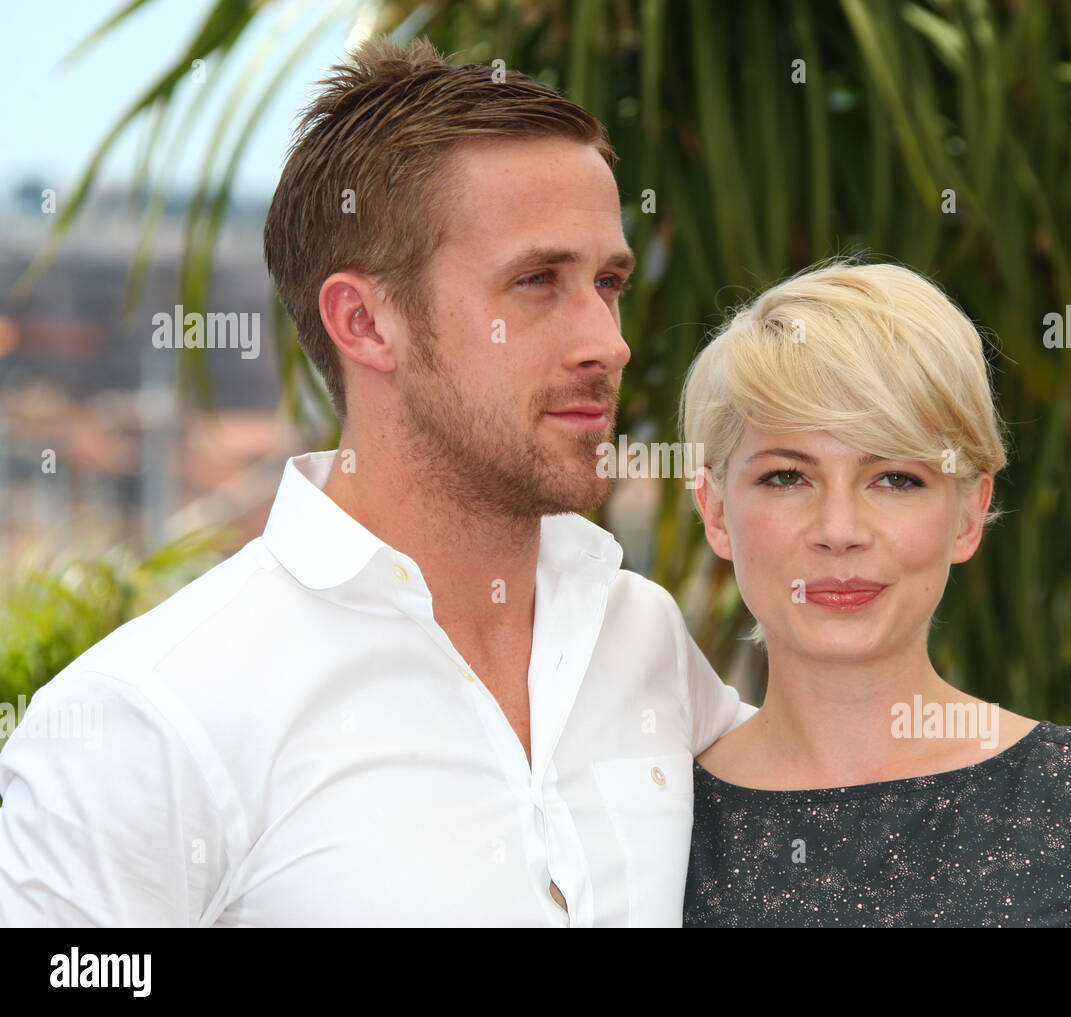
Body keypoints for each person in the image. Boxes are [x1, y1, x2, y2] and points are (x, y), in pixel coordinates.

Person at [0, 38, 753, 927]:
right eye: (539, 280)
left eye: (609, 281)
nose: (609, 341)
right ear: (364, 321)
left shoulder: (646, 638)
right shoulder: (145, 717)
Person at [678, 260, 1071, 927]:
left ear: (968, 513)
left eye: (896, 479)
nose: (839, 531)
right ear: (713, 510)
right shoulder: (649, 830)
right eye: (788, 476)